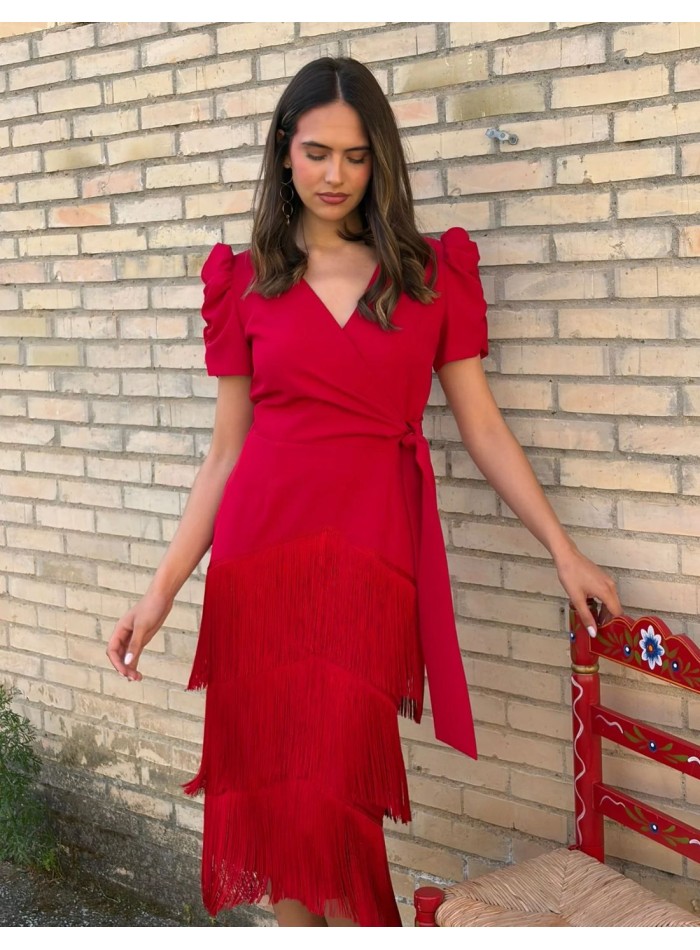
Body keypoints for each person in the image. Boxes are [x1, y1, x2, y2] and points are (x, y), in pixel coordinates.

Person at [106, 57, 622, 928]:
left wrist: (561, 549)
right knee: (277, 801)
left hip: (368, 568)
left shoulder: (428, 277)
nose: (335, 176)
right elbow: (225, 456)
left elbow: (484, 429)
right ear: (283, 153)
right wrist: (158, 595)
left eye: (355, 156)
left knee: (336, 796)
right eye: (315, 153)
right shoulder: (245, 283)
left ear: (380, 160)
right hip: (257, 568)